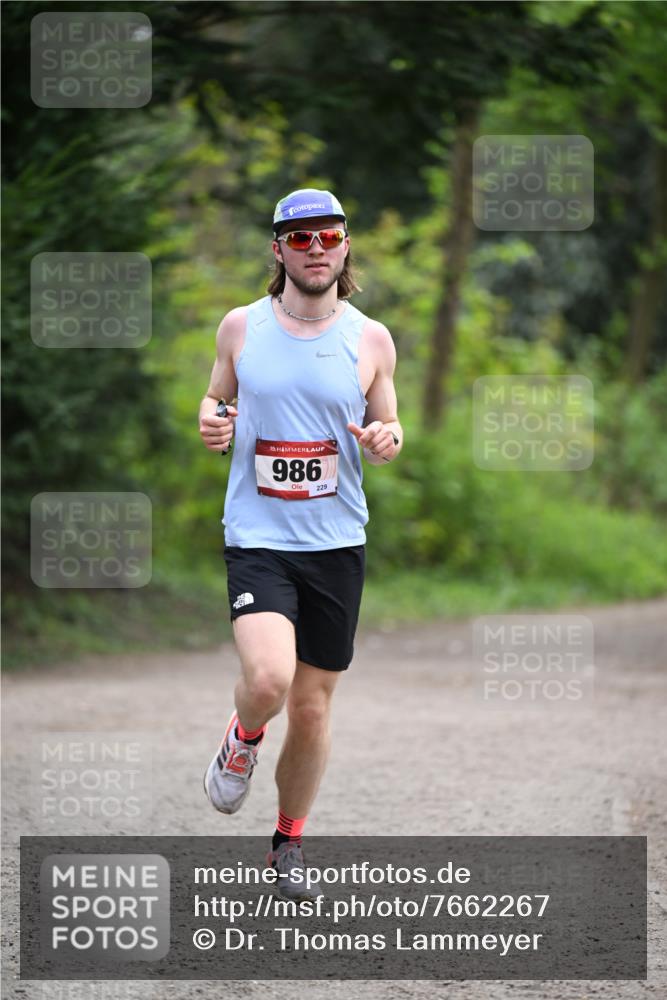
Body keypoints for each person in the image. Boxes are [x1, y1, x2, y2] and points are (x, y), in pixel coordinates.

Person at [198, 188, 402, 900]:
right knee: (268, 683)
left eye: (329, 236)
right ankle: (242, 738)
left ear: (345, 246)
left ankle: (287, 843)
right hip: (258, 537)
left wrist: (384, 439)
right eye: (300, 238)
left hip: (335, 543)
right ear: (278, 248)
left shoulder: (370, 338)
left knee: (312, 708)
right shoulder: (240, 327)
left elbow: (389, 429)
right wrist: (213, 420)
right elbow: (218, 396)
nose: (316, 249)